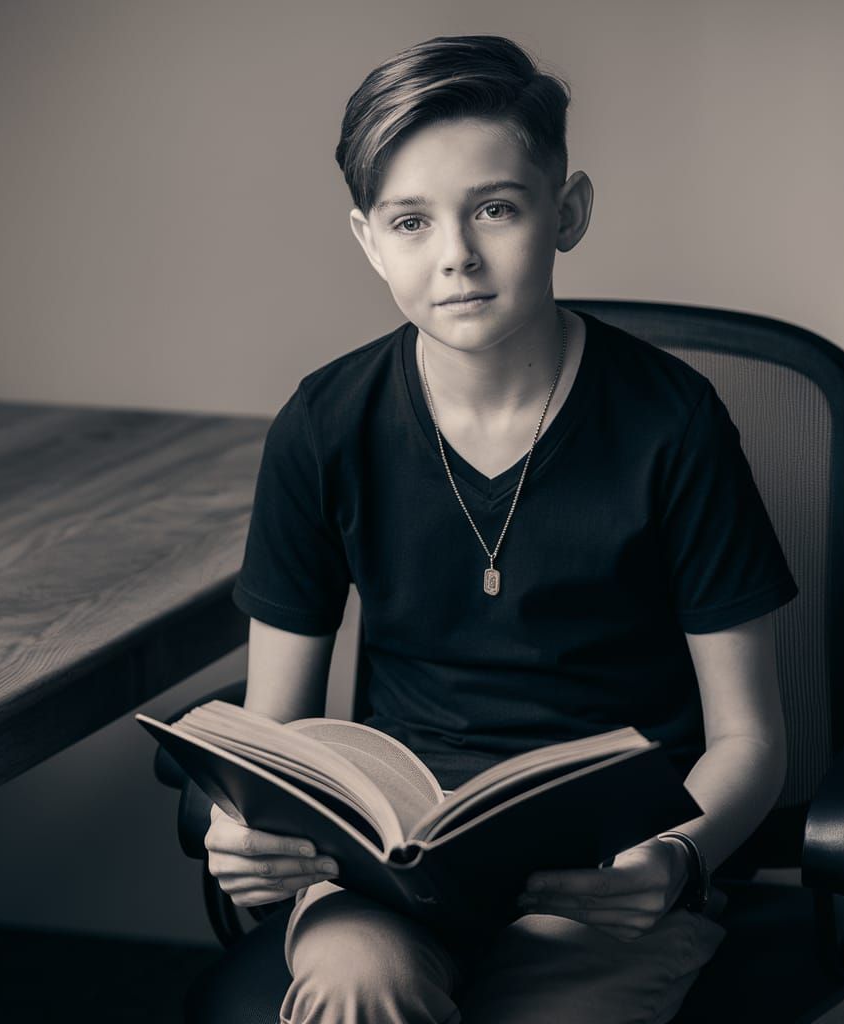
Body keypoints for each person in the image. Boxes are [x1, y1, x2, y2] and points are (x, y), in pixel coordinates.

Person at [204, 33, 799, 1024]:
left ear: (566, 212)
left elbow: (750, 734)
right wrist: (244, 825)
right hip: (392, 869)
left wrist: (677, 855)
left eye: (494, 208)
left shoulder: (673, 422)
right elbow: (276, 732)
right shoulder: (323, 424)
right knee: (357, 987)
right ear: (368, 240)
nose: (456, 256)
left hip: (606, 870)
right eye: (411, 221)